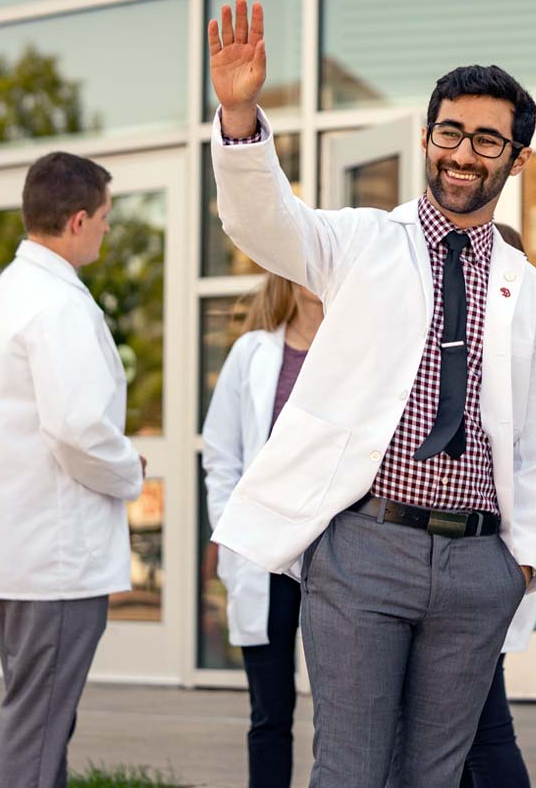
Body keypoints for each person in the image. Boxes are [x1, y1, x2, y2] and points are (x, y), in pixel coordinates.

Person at [206, 0, 536, 788]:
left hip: (479, 565)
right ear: (427, 137)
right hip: (365, 548)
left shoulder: (530, 291)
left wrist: (522, 564)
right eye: (449, 132)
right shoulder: (365, 242)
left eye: (486, 139)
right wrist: (240, 117)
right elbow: (265, 224)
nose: (463, 153)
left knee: (433, 774)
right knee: (352, 766)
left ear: (518, 156)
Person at [0, 152, 145, 788]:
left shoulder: (8, 292)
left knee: (40, 727)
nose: (108, 230)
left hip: (18, 552)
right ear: (78, 220)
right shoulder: (60, 306)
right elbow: (78, 429)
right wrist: (129, 469)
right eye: (106, 218)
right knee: (35, 735)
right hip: (54, 564)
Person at [202, 273, 325, 788]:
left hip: (336, 553)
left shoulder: (357, 352)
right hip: (265, 553)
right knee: (270, 714)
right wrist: (233, 533)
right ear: (289, 279)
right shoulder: (251, 353)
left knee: (346, 718)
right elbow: (221, 453)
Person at [460, 222, 532, 788]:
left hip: (478, 563)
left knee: (482, 729)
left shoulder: (492, 352)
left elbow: (534, 457)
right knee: (472, 729)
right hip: (482, 567)